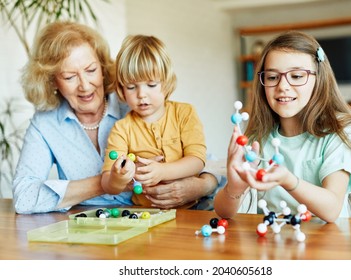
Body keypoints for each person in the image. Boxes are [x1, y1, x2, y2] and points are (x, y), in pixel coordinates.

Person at [13, 22, 218, 214]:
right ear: (52, 81)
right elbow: (24, 198)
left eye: (91, 70)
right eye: (69, 77)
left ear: (103, 68)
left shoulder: (135, 102)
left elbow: (206, 162)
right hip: (98, 225)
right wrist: (110, 181)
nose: (84, 85)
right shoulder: (45, 124)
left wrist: (200, 186)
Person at [214, 30, 351, 223]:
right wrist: (234, 189)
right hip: (274, 246)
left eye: (296, 76)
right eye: (272, 77)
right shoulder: (257, 138)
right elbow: (223, 212)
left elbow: (332, 209)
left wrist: (288, 180)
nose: (283, 86)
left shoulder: (341, 130)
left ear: (319, 79)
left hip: (328, 246)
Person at [101, 35, 207, 208]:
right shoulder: (121, 129)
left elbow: (197, 160)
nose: (142, 94)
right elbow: (107, 183)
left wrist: (162, 171)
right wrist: (118, 177)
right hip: (145, 214)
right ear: (121, 89)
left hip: (191, 208)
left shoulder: (184, 113)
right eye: (131, 87)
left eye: (151, 85)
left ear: (166, 83)